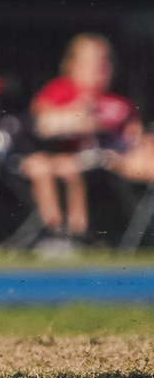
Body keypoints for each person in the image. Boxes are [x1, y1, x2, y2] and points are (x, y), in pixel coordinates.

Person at [18, 33, 139, 252]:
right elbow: (41, 122)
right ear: (72, 64)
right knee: (65, 167)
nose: (100, 68)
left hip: (109, 164)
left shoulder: (118, 103)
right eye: (92, 62)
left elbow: (133, 138)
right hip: (65, 160)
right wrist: (79, 116)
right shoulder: (59, 91)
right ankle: (64, 233)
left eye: (104, 62)